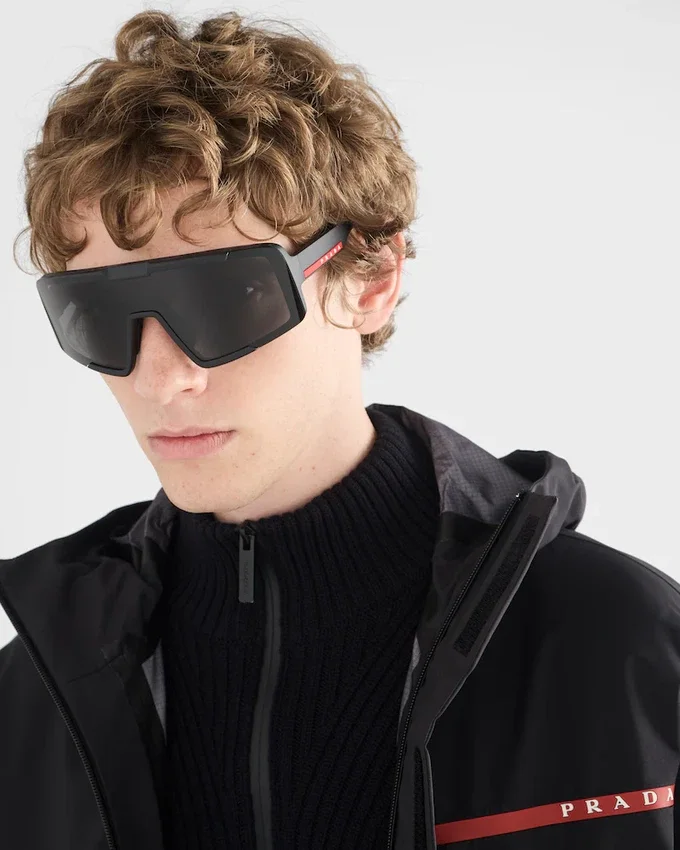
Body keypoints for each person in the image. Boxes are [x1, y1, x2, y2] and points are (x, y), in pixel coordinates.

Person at [0, 9, 678, 850]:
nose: (162, 377)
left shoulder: (620, 644)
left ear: (372, 279)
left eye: (224, 299)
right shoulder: (32, 706)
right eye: (97, 312)